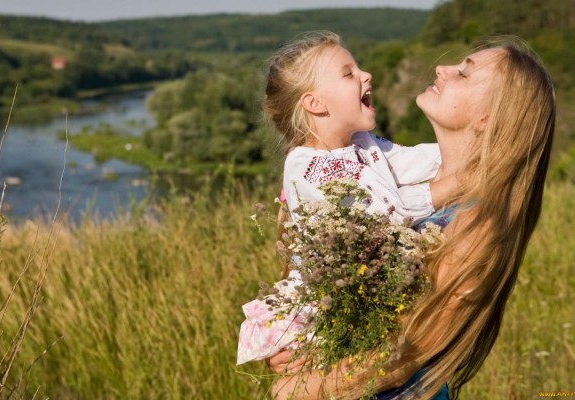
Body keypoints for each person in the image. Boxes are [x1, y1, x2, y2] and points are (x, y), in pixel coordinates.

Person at [267, 36, 556, 400]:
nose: (442, 68)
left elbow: (412, 348)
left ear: (487, 118)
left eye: (463, 74)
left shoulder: (477, 219)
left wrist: (301, 388)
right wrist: (294, 344)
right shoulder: (389, 175)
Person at [237, 31, 457, 366]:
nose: (365, 75)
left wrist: (473, 149)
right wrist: (463, 181)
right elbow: (387, 214)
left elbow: (415, 160)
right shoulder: (307, 166)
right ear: (315, 103)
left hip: (364, 297)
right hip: (326, 313)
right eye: (348, 73)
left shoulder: (363, 144)